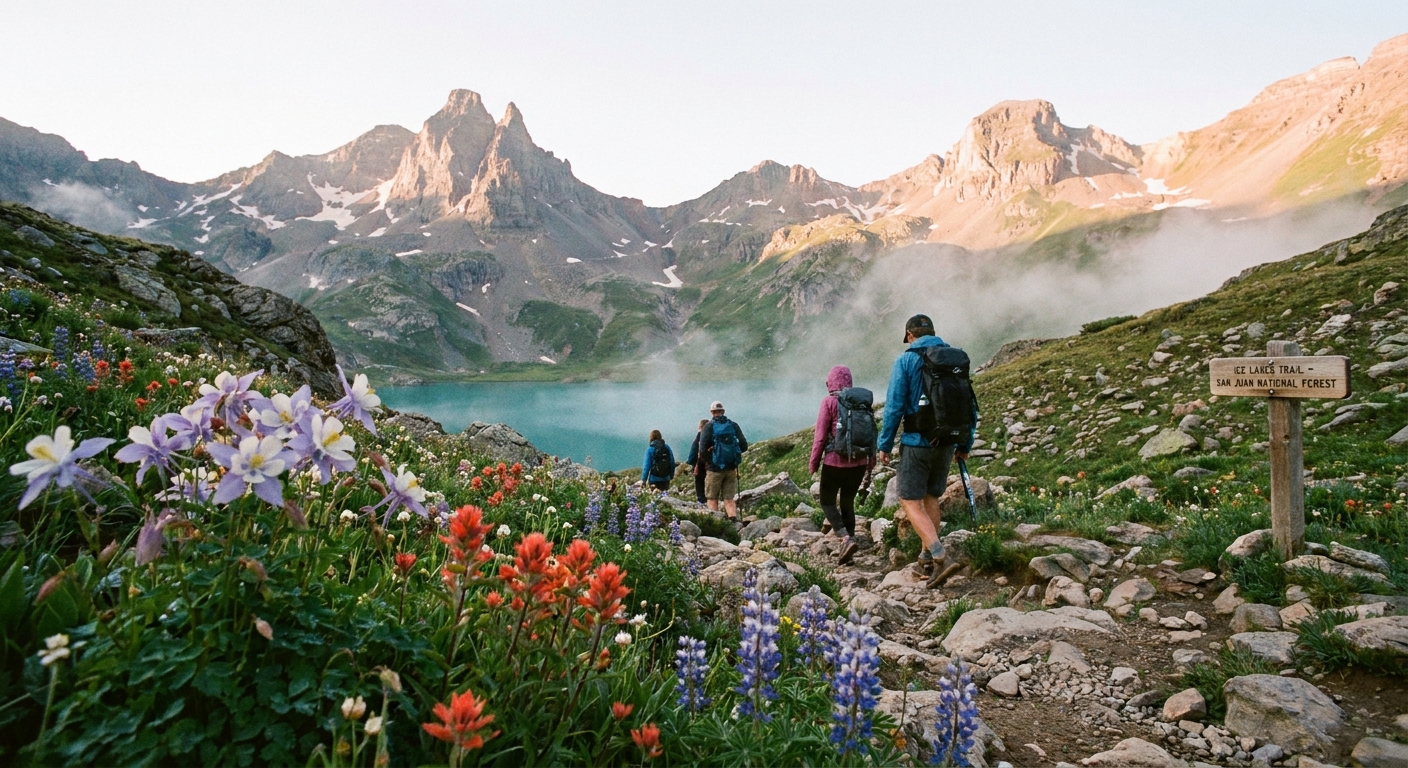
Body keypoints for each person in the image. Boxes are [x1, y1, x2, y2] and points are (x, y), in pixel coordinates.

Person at [876, 314, 978, 588]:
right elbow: (970, 406)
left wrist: (884, 445)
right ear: (933, 332)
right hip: (947, 442)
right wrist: (964, 444)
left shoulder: (906, 360)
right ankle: (925, 560)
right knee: (931, 497)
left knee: (909, 499)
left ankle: (940, 555)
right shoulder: (953, 359)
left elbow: (895, 407)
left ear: (910, 335)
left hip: (916, 442)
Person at [809, 365, 876, 565]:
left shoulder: (829, 402)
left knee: (827, 501)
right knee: (847, 502)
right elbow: (872, 435)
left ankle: (845, 538)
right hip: (859, 464)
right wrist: (870, 465)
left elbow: (820, 437)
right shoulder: (861, 403)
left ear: (830, 382)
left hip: (834, 463)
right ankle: (850, 545)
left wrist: (813, 463)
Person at [699, 401, 748, 524]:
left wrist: (711, 460)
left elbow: (702, 449)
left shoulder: (708, 426)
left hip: (714, 469)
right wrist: (733, 456)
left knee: (712, 498)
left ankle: (716, 524)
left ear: (712, 412)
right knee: (729, 498)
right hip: (731, 468)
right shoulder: (733, 425)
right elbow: (744, 445)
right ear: (723, 411)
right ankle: (734, 523)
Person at [685, 419, 709, 504]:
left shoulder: (700, 435)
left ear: (701, 426)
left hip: (700, 464)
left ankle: (701, 501)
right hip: (712, 465)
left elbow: (694, 450)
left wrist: (690, 462)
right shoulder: (713, 435)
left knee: (700, 483)